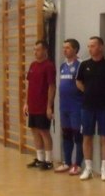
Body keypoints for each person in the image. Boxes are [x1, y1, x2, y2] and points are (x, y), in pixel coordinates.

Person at [75, 36, 105, 181]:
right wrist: (89, 91)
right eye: (88, 46)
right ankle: (88, 168)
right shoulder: (84, 64)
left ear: (101, 47)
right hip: (87, 107)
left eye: (93, 46)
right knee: (87, 136)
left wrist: (104, 92)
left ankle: (104, 169)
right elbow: (78, 82)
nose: (90, 49)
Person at [25, 40, 57, 170]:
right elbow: (29, 85)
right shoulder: (33, 65)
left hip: (43, 105)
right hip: (32, 105)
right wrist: (26, 103)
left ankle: (48, 161)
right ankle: (40, 158)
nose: (35, 52)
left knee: (44, 131)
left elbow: (52, 87)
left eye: (37, 50)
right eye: (34, 50)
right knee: (34, 130)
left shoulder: (49, 66)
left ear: (45, 51)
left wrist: (49, 106)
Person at [56, 38, 84, 175]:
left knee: (78, 135)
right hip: (64, 107)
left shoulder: (80, 65)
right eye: (64, 47)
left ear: (75, 49)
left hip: (76, 107)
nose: (64, 50)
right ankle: (66, 162)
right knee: (66, 134)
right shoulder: (62, 66)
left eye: (67, 47)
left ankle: (77, 164)